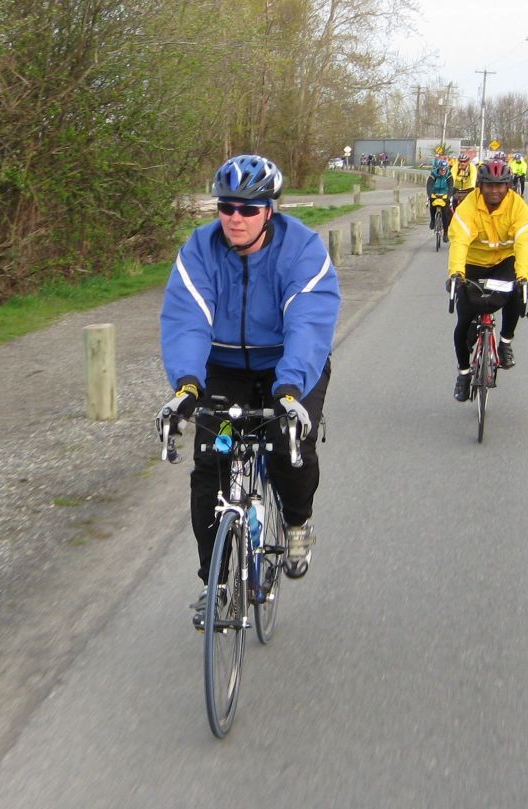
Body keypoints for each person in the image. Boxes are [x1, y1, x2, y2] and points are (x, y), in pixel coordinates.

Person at [157, 154, 341, 624]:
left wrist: (290, 388)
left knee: (288, 445)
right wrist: (187, 385)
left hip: (288, 369)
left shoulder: (302, 249)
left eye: (248, 209)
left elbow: (308, 322)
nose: (234, 218)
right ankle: (215, 583)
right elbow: (188, 318)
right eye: (226, 207)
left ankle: (297, 522)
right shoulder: (200, 250)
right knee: (211, 463)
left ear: (270, 210)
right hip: (225, 372)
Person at [445, 158, 528, 401]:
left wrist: (523, 277)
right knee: (464, 320)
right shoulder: (468, 207)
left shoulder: (518, 207)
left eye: (500, 185)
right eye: (489, 185)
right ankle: (463, 374)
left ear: (508, 186)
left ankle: (505, 342)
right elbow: (459, 241)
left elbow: (523, 243)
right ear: (480, 186)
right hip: (472, 264)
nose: (494, 190)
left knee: (516, 292)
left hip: (503, 262)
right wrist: (456, 274)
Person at [427, 158, 454, 240]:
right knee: (432, 205)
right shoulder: (434, 173)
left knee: (445, 214)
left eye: (444, 169)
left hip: (444, 193)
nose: (442, 171)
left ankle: (445, 233)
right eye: (441, 169)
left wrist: (449, 196)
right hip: (435, 192)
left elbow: (451, 186)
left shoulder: (449, 174)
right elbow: (429, 185)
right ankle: (432, 220)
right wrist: (429, 194)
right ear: (438, 168)